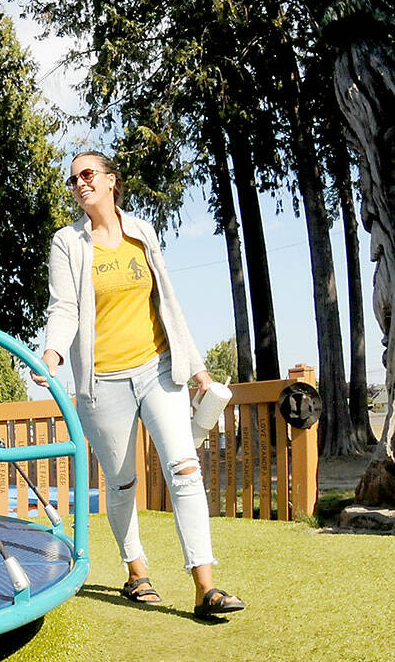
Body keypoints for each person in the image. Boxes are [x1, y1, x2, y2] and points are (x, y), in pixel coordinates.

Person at [34, 150, 246, 619]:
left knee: (184, 468)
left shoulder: (142, 233)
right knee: (122, 480)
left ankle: (204, 586)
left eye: (87, 174)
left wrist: (200, 372)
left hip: (157, 369)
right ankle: (137, 572)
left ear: (111, 180)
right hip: (102, 381)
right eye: (73, 180)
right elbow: (63, 308)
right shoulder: (67, 243)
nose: (80, 184)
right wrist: (51, 354)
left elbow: (169, 304)